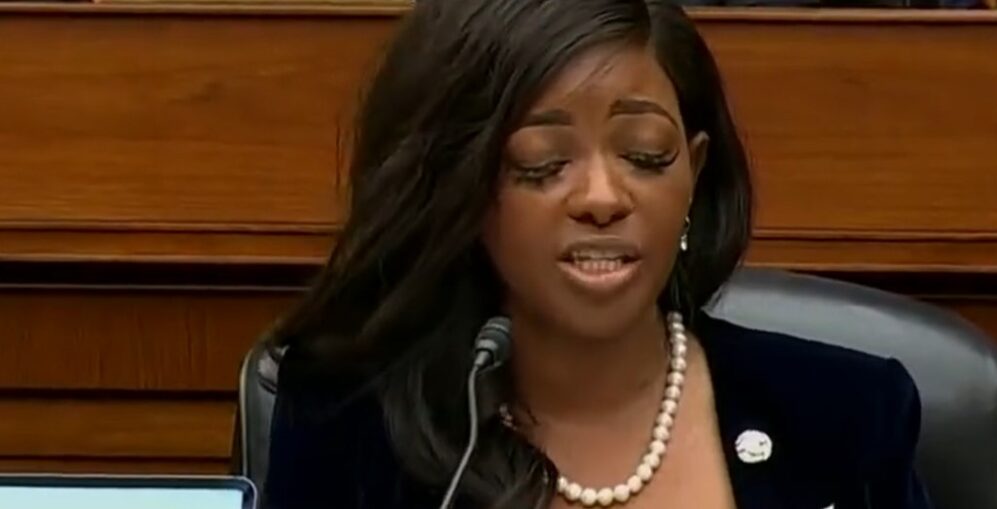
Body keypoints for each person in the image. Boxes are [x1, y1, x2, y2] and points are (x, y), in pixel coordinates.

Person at [263, 1, 933, 508]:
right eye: (542, 162)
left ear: (694, 173)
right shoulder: (350, 421)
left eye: (645, 155)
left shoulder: (847, 414)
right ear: (460, 190)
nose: (603, 198)